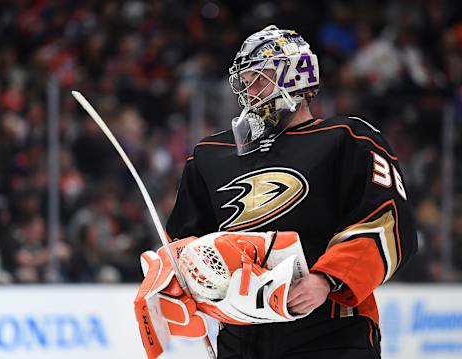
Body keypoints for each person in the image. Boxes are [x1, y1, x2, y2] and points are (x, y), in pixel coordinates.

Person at [156, 25, 418, 359]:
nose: (251, 91)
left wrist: (327, 279)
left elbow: (389, 223)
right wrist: (173, 278)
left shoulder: (347, 138)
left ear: (297, 76)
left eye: (260, 77)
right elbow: (186, 241)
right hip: (240, 336)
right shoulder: (210, 154)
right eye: (245, 81)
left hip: (329, 330)